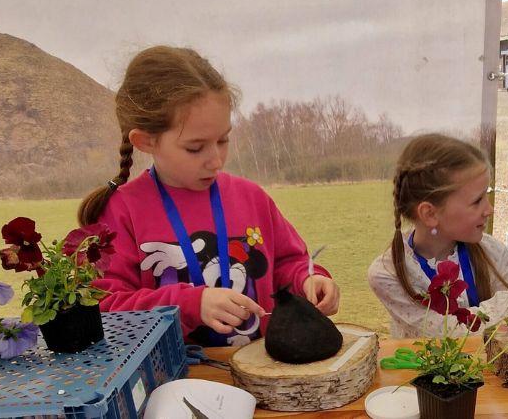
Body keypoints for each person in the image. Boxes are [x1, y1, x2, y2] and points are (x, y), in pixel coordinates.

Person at [77, 46, 339, 346]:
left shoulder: (251, 198)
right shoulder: (121, 211)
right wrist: (190, 304)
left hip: (261, 373)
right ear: (146, 141)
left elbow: (287, 263)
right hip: (171, 384)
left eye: (223, 140)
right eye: (195, 147)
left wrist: (309, 279)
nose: (216, 159)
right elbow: (104, 308)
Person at [367, 134, 508, 338]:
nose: (489, 209)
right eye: (477, 201)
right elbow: (449, 333)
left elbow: (507, 328)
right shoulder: (389, 275)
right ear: (430, 214)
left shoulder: (494, 254)